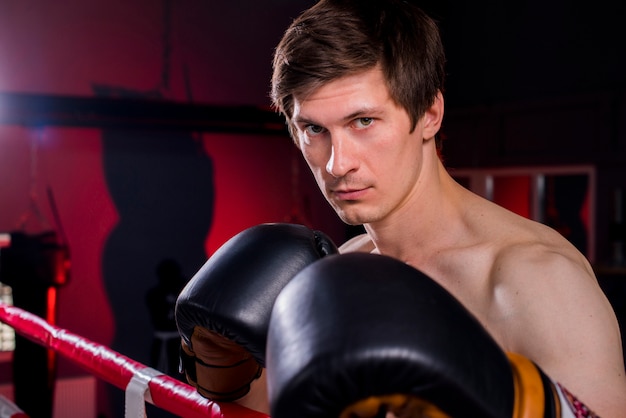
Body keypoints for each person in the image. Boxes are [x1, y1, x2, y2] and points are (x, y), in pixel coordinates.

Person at [270, 0, 626, 416]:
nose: (337, 163)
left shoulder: (535, 280)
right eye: (314, 129)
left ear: (430, 114)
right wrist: (229, 368)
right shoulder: (345, 272)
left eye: (363, 121)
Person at [146, 258, 186, 378]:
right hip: (164, 343)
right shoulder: (154, 295)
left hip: (181, 342)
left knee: (184, 378)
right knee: (161, 378)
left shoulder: (184, 292)